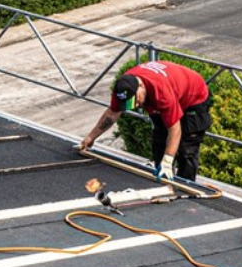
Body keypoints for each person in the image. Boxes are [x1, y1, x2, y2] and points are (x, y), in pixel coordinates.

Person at [78, 60, 211, 181]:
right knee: (159, 140)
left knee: (186, 150)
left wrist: (167, 161)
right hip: (166, 93)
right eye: (130, 103)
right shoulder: (123, 89)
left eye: (136, 101)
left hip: (193, 98)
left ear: (140, 86)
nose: (135, 106)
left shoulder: (161, 93)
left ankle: (185, 188)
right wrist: (90, 137)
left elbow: (175, 130)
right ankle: (162, 180)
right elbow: (112, 114)